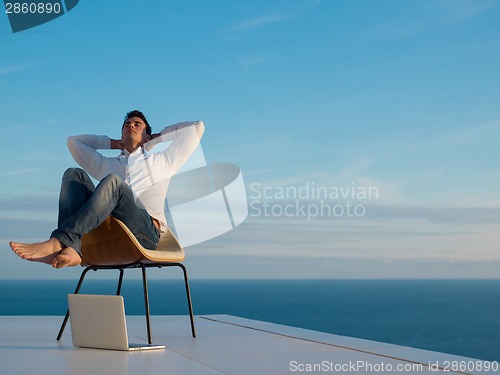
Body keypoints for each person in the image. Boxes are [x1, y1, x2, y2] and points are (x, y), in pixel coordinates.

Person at [9, 110, 204, 268]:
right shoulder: (107, 164)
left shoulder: (164, 160)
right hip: (109, 231)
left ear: (147, 135)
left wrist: (157, 138)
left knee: (113, 182)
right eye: (126, 125)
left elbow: (197, 128)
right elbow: (74, 142)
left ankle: (59, 242)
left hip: (145, 234)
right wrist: (113, 143)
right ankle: (72, 248)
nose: (131, 126)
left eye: (137, 124)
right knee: (73, 174)